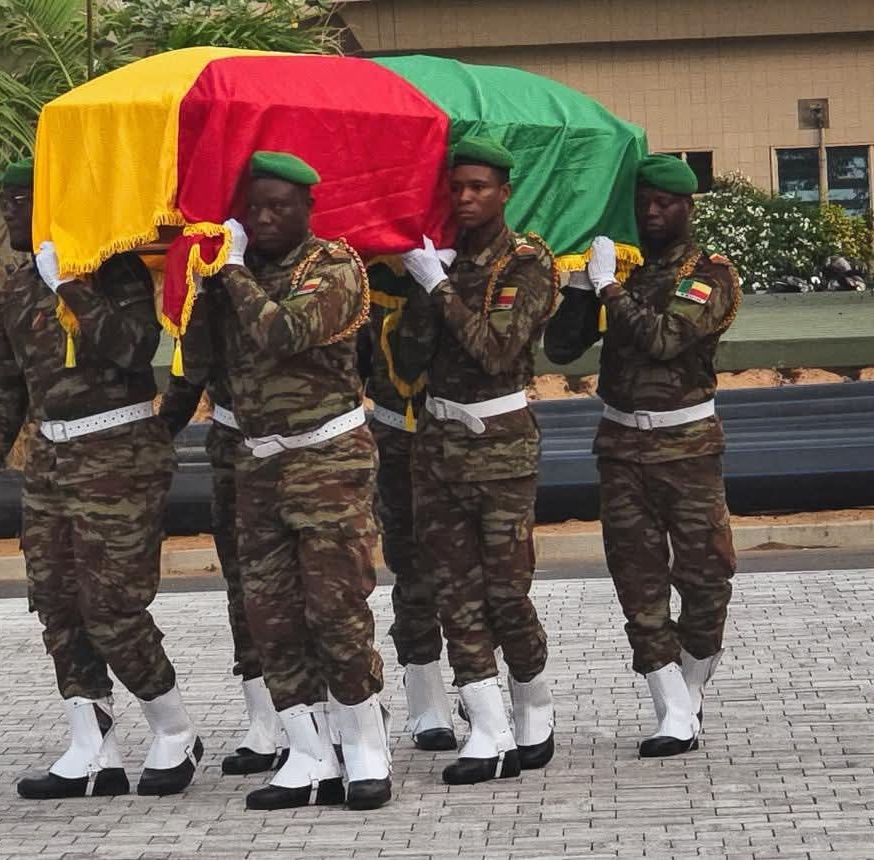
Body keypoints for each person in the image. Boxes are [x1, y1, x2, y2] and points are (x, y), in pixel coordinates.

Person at [181, 151, 391, 811]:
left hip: (327, 460)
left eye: (279, 206)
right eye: (255, 207)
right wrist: (203, 284)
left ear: (308, 208)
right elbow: (200, 356)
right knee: (269, 615)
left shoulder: (333, 266)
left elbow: (286, 331)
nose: (265, 218)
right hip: (258, 462)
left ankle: (365, 747)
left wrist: (234, 271)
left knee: (335, 609)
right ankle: (307, 752)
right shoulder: (230, 276)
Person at [0, 158, 202, 799]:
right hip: (51, 463)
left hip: (119, 455)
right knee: (57, 604)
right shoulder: (17, 286)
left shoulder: (113, 271)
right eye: (5, 201)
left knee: (112, 605)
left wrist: (70, 285)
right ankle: (92, 747)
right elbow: (9, 388)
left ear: (55, 207)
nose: (10, 212)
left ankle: (174, 729)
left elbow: (134, 347)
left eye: (22, 200)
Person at [543, 153, 742, 758]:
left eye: (664, 202)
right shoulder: (622, 270)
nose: (651, 212)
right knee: (638, 582)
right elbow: (560, 349)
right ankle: (671, 707)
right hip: (622, 446)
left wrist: (610, 288)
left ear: (687, 207)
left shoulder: (708, 274)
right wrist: (582, 288)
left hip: (687, 449)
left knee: (707, 580)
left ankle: (689, 688)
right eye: (643, 202)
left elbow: (663, 338)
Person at [393, 135, 558, 786]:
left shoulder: (527, 262)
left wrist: (439, 289)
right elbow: (408, 362)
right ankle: (488, 730)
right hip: (438, 447)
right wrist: (420, 288)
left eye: (478, 187)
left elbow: (495, 350)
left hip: (500, 447)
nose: (465, 198)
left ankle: (534, 703)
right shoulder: (441, 258)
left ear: (504, 192)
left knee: (506, 593)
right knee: (453, 594)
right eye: (456, 187)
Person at [159, 375, 286, 774]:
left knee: (314, 585)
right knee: (244, 587)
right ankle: (265, 719)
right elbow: (191, 370)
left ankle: (333, 712)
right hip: (235, 442)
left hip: (310, 439)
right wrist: (155, 435)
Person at [358, 261, 456, 752]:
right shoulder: (370, 274)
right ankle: (427, 699)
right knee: (413, 569)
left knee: (475, 573)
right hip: (397, 435)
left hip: (465, 436)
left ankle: (481, 685)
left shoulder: (474, 269)